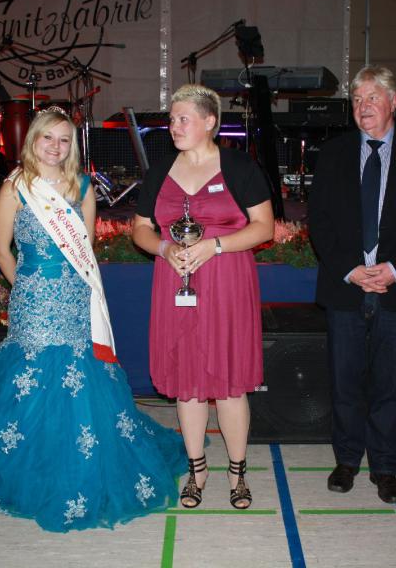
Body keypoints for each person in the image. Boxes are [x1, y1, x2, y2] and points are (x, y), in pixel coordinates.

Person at [0, 108, 186, 532]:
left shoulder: (82, 187)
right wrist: (27, 287)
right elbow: (1, 248)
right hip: (34, 300)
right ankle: (31, 470)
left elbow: (86, 248)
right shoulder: (16, 186)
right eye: (48, 138)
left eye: (64, 140)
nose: (55, 147)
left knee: (82, 375)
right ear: (33, 141)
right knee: (33, 378)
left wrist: (69, 289)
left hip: (77, 298)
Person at [309, 65, 396, 504]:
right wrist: (350, 269)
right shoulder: (333, 153)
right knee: (344, 382)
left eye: (372, 98)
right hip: (346, 286)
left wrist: (395, 269)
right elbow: (319, 222)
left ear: (393, 102)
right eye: (357, 100)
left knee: (389, 384)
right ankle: (347, 460)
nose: (363, 106)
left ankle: (385, 467)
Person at [132, 84, 274, 509]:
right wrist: (164, 249)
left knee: (230, 384)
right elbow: (140, 229)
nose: (174, 126)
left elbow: (264, 227)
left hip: (227, 281)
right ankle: (197, 470)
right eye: (172, 119)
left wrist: (215, 246)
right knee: (187, 383)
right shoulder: (160, 170)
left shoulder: (238, 166)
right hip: (174, 281)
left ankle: (237, 472)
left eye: (183, 119)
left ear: (210, 121)